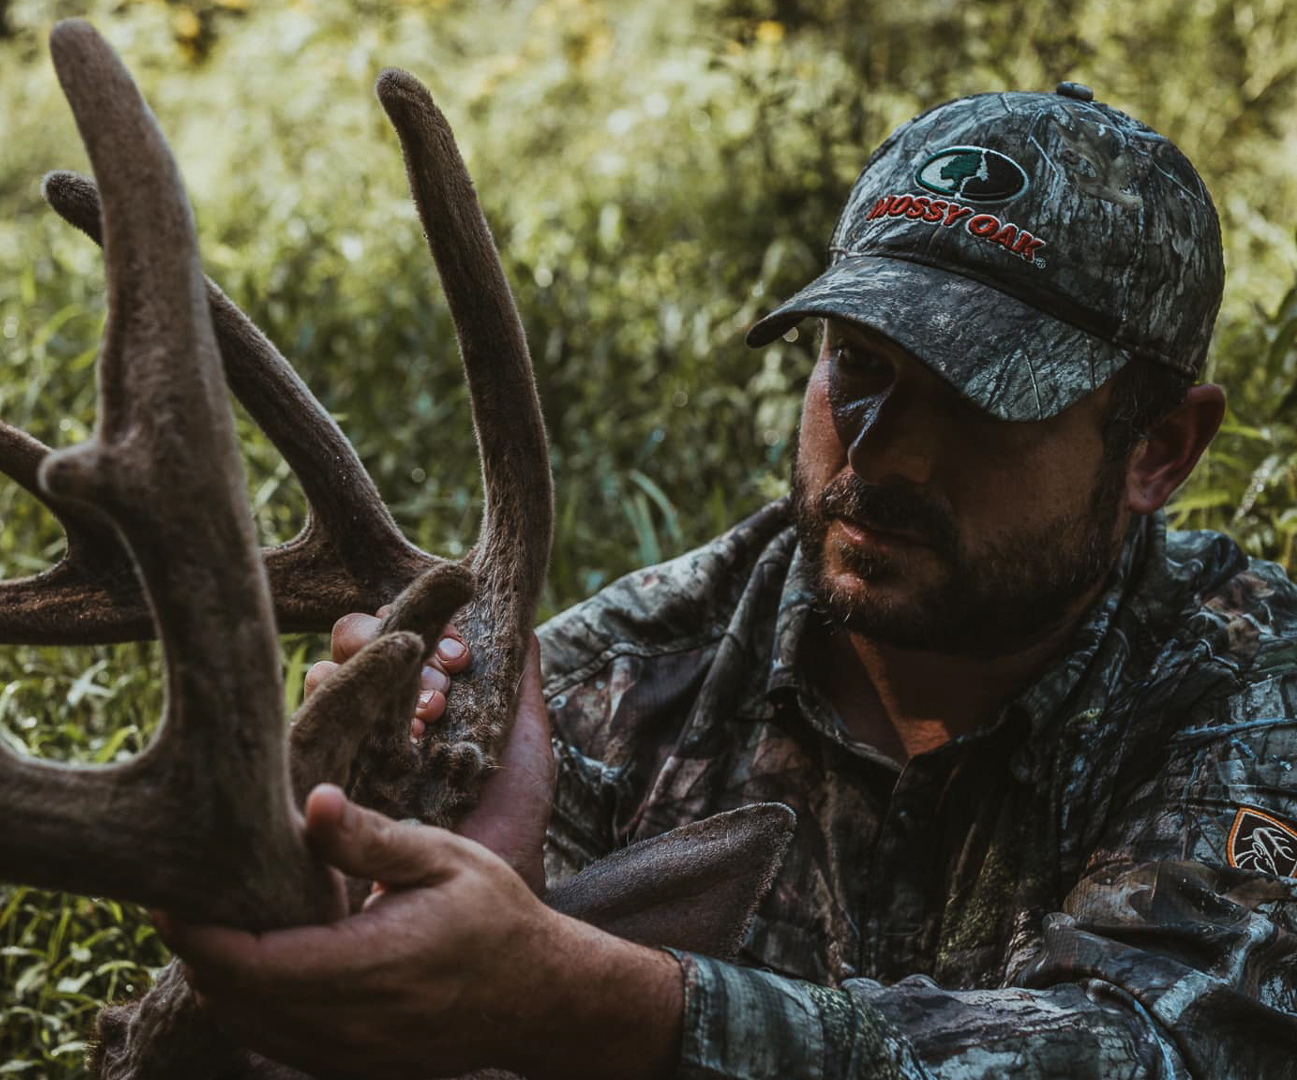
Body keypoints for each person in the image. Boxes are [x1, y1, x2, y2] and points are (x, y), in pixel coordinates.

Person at [152, 84, 1297, 1077]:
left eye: (985, 401)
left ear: (1159, 449)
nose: (883, 450)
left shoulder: (1252, 694)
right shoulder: (602, 685)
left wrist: (587, 999)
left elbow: (1164, 1050)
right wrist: (360, 855)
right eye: (858, 363)